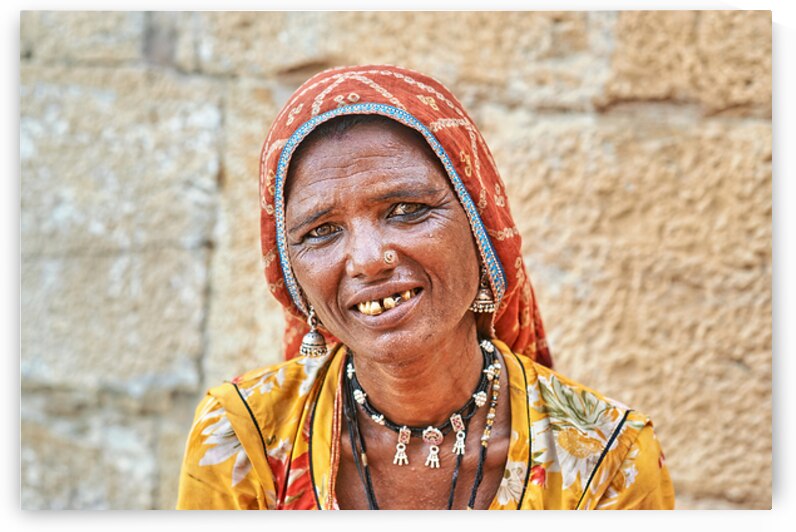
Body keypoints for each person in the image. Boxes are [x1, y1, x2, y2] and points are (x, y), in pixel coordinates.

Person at [176, 65, 675, 510]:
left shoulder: (606, 459)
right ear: (293, 278)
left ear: (481, 228)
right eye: (321, 231)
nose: (368, 260)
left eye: (406, 210)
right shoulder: (243, 439)